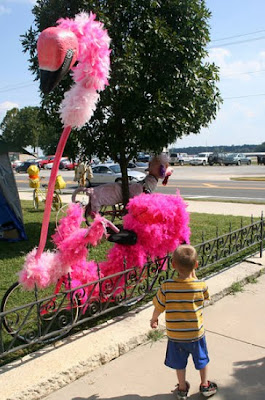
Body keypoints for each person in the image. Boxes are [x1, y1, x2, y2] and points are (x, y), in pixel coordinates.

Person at [150, 245, 217, 399]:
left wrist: (154, 319)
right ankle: (205, 385)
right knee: (201, 359)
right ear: (196, 265)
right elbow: (206, 297)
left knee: (179, 363)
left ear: (173, 265)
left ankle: (181, 388)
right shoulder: (200, 285)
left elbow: (159, 307)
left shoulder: (167, 286)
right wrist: (193, 277)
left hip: (175, 335)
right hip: (196, 334)